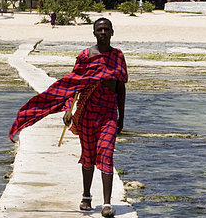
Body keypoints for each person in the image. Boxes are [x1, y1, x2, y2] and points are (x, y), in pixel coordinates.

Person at [9, 17, 127, 217]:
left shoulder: (117, 56)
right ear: (94, 33)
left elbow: (120, 88)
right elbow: (74, 84)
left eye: (107, 29)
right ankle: (87, 196)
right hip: (88, 114)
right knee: (88, 156)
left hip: (108, 114)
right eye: (99, 30)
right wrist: (68, 110)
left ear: (112, 32)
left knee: (106, 154)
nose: (103, 33)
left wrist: (121, 117)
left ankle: (107, 203)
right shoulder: (85, 56)